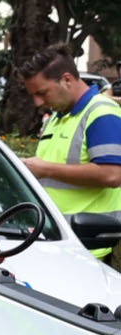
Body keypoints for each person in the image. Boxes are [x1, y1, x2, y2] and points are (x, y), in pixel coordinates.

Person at [16, 50, 121, 242]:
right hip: (59, 239)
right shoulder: (56, 117)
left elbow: (112, 175)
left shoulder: (102, 113)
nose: (38, 102)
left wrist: (45, 169)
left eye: (42, 93)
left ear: (67, 80)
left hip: (89, 244)